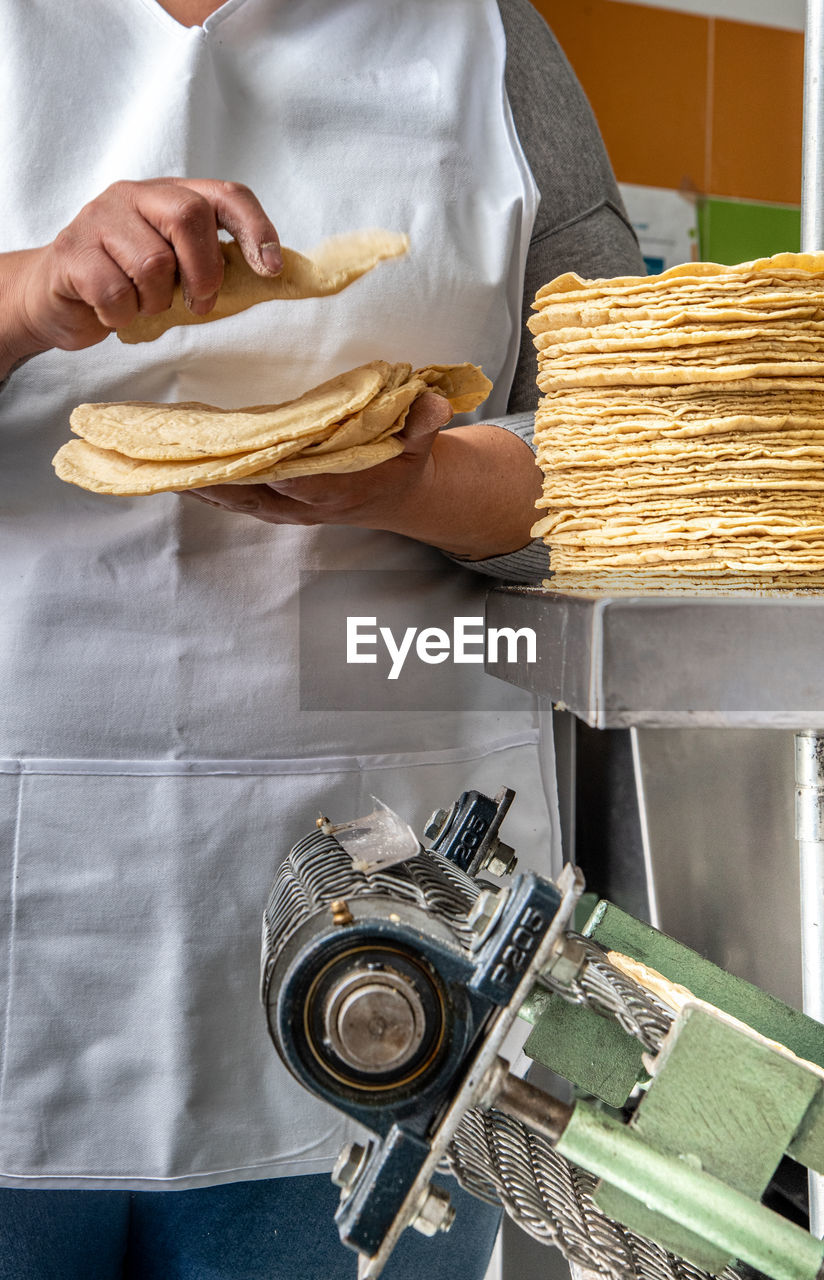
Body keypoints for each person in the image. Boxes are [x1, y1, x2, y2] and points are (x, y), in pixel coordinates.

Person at [0, 1, 643, 1277]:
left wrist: (404, 482)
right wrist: (29, 295)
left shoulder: (488, 40)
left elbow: (622, 439)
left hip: (398, 948)